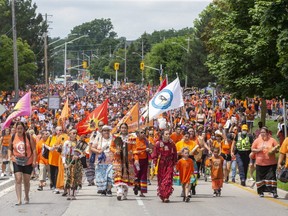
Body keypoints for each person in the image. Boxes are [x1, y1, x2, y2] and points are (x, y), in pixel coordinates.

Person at [8, 122, 37, 205]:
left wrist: (34, 161)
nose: (19, 130)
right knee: (18, 179)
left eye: (21, 128)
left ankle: (26, 196)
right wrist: (10, 156)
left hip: (28, 161)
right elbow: (10, 148)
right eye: (18, 128)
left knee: (26, 181)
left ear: (24, 129)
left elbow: (34, 149)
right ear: (16, 129)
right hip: (17, 161)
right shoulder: (13, 137)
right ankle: (19, 200)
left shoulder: (28, 136)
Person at [251, 127, 280, 198]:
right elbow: (252, 149)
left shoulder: (272, 140)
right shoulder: (257, 140)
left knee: (272, 178)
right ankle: (261, 192)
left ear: (267, 133)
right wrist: (259, 150)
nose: (262, 134)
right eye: (261, 132)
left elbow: (277, 148)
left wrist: (274, 150)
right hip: (260, 163)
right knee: (260, 178)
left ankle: (274, 192)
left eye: (264, 132)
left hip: (271, 163)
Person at [110, 123, 135, 201]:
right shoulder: (116, 137)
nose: (123, 129)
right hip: (118, 160)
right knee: (119, 176)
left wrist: (132, 153)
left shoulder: (132, 138)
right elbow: (111, 147)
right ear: (120, 129)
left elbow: (134, 148)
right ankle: (119, 193)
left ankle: (124, 194)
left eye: (125, 128)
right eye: (122, 128)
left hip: (128, 160)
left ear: (127, 129)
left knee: (126, 177)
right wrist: (115, 151)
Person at [152, 129, 177, 203]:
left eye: (169, 134)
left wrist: (175, 164)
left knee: (168, 180)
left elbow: (175, 154)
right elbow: (155, 155)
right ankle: (162, 194)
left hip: (169, 163)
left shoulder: (172, 144)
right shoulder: (158, 144)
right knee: (161, 180)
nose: (168, 135)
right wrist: (154, 163)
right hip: (162, 164)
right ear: (162, 135)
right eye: (166, 134)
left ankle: (166, 195)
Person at [62, 129, 85, 200]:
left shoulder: (79, 143)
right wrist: (64, 162)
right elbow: (63, 154)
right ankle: (68, 194)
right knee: (68, 176)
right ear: (69, 134)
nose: (75, 134)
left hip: (76, 161)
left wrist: (78, 156)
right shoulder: (66, 143)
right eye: (73, 133)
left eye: (76, 133)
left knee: (75, 176)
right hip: (68, 160)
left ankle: (73, 194)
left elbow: (83, 153)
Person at [91, 125, 113, 196]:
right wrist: (98, 151)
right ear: (102, 132)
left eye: (107, 130)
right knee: (102, 176)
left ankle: (109, 189)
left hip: (111, 161)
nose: (106, 132)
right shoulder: (98, 139)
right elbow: (92, 148)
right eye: (104, 130)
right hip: (100, 161)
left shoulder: (112, 139)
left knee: (110, 175)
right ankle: (103, 189)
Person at [133, 129, 151, 197]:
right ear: (137, 134)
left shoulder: (146, 141)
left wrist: (149, 149)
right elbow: (134, 151)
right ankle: (136, 187)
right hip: (137, 160)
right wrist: (143, 150)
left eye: (144, 132)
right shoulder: (134, 141)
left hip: (144, 159)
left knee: (143, 175)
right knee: (137, 174)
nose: (143, 134)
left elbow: (150, 147)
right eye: (141, 132)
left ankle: (142, 192)